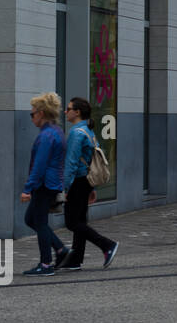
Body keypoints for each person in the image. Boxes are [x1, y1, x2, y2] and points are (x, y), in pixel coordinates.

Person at [61, 97, 119, 270]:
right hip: (85, 181)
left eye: (69, 108)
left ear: (77, 112)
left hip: (77, 182)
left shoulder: (76, 133)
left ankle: (107, 245)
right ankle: (76, 259)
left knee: (72, 222)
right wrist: (91, 187)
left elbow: (71, 163)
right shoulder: (88, 131)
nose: (66, 111)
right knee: (80, 220)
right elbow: (90, 160)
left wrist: (64, 188)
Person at [21, 92, 69, 276]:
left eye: (32, 113)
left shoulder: (46, 136)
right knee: (30, 219)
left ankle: (46, 264)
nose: (32, 117)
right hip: (51, 183)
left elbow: (39, 166)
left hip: (44, 184)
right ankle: (60, 250)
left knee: (39, 222)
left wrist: (28, 189)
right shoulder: (56, 131)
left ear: (41, 113)